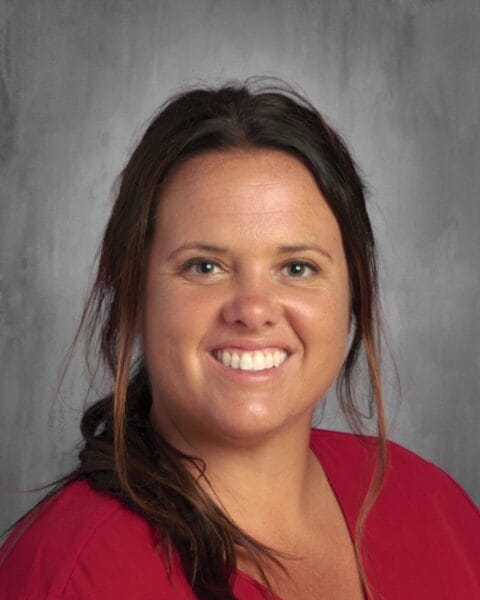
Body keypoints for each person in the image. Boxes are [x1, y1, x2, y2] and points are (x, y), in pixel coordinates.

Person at [0, 78, 478, 600]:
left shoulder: (433, 505)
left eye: (297, 267)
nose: (252, 310)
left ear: (354, 290)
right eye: (204, 266)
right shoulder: (70, 577)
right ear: (133, 291)